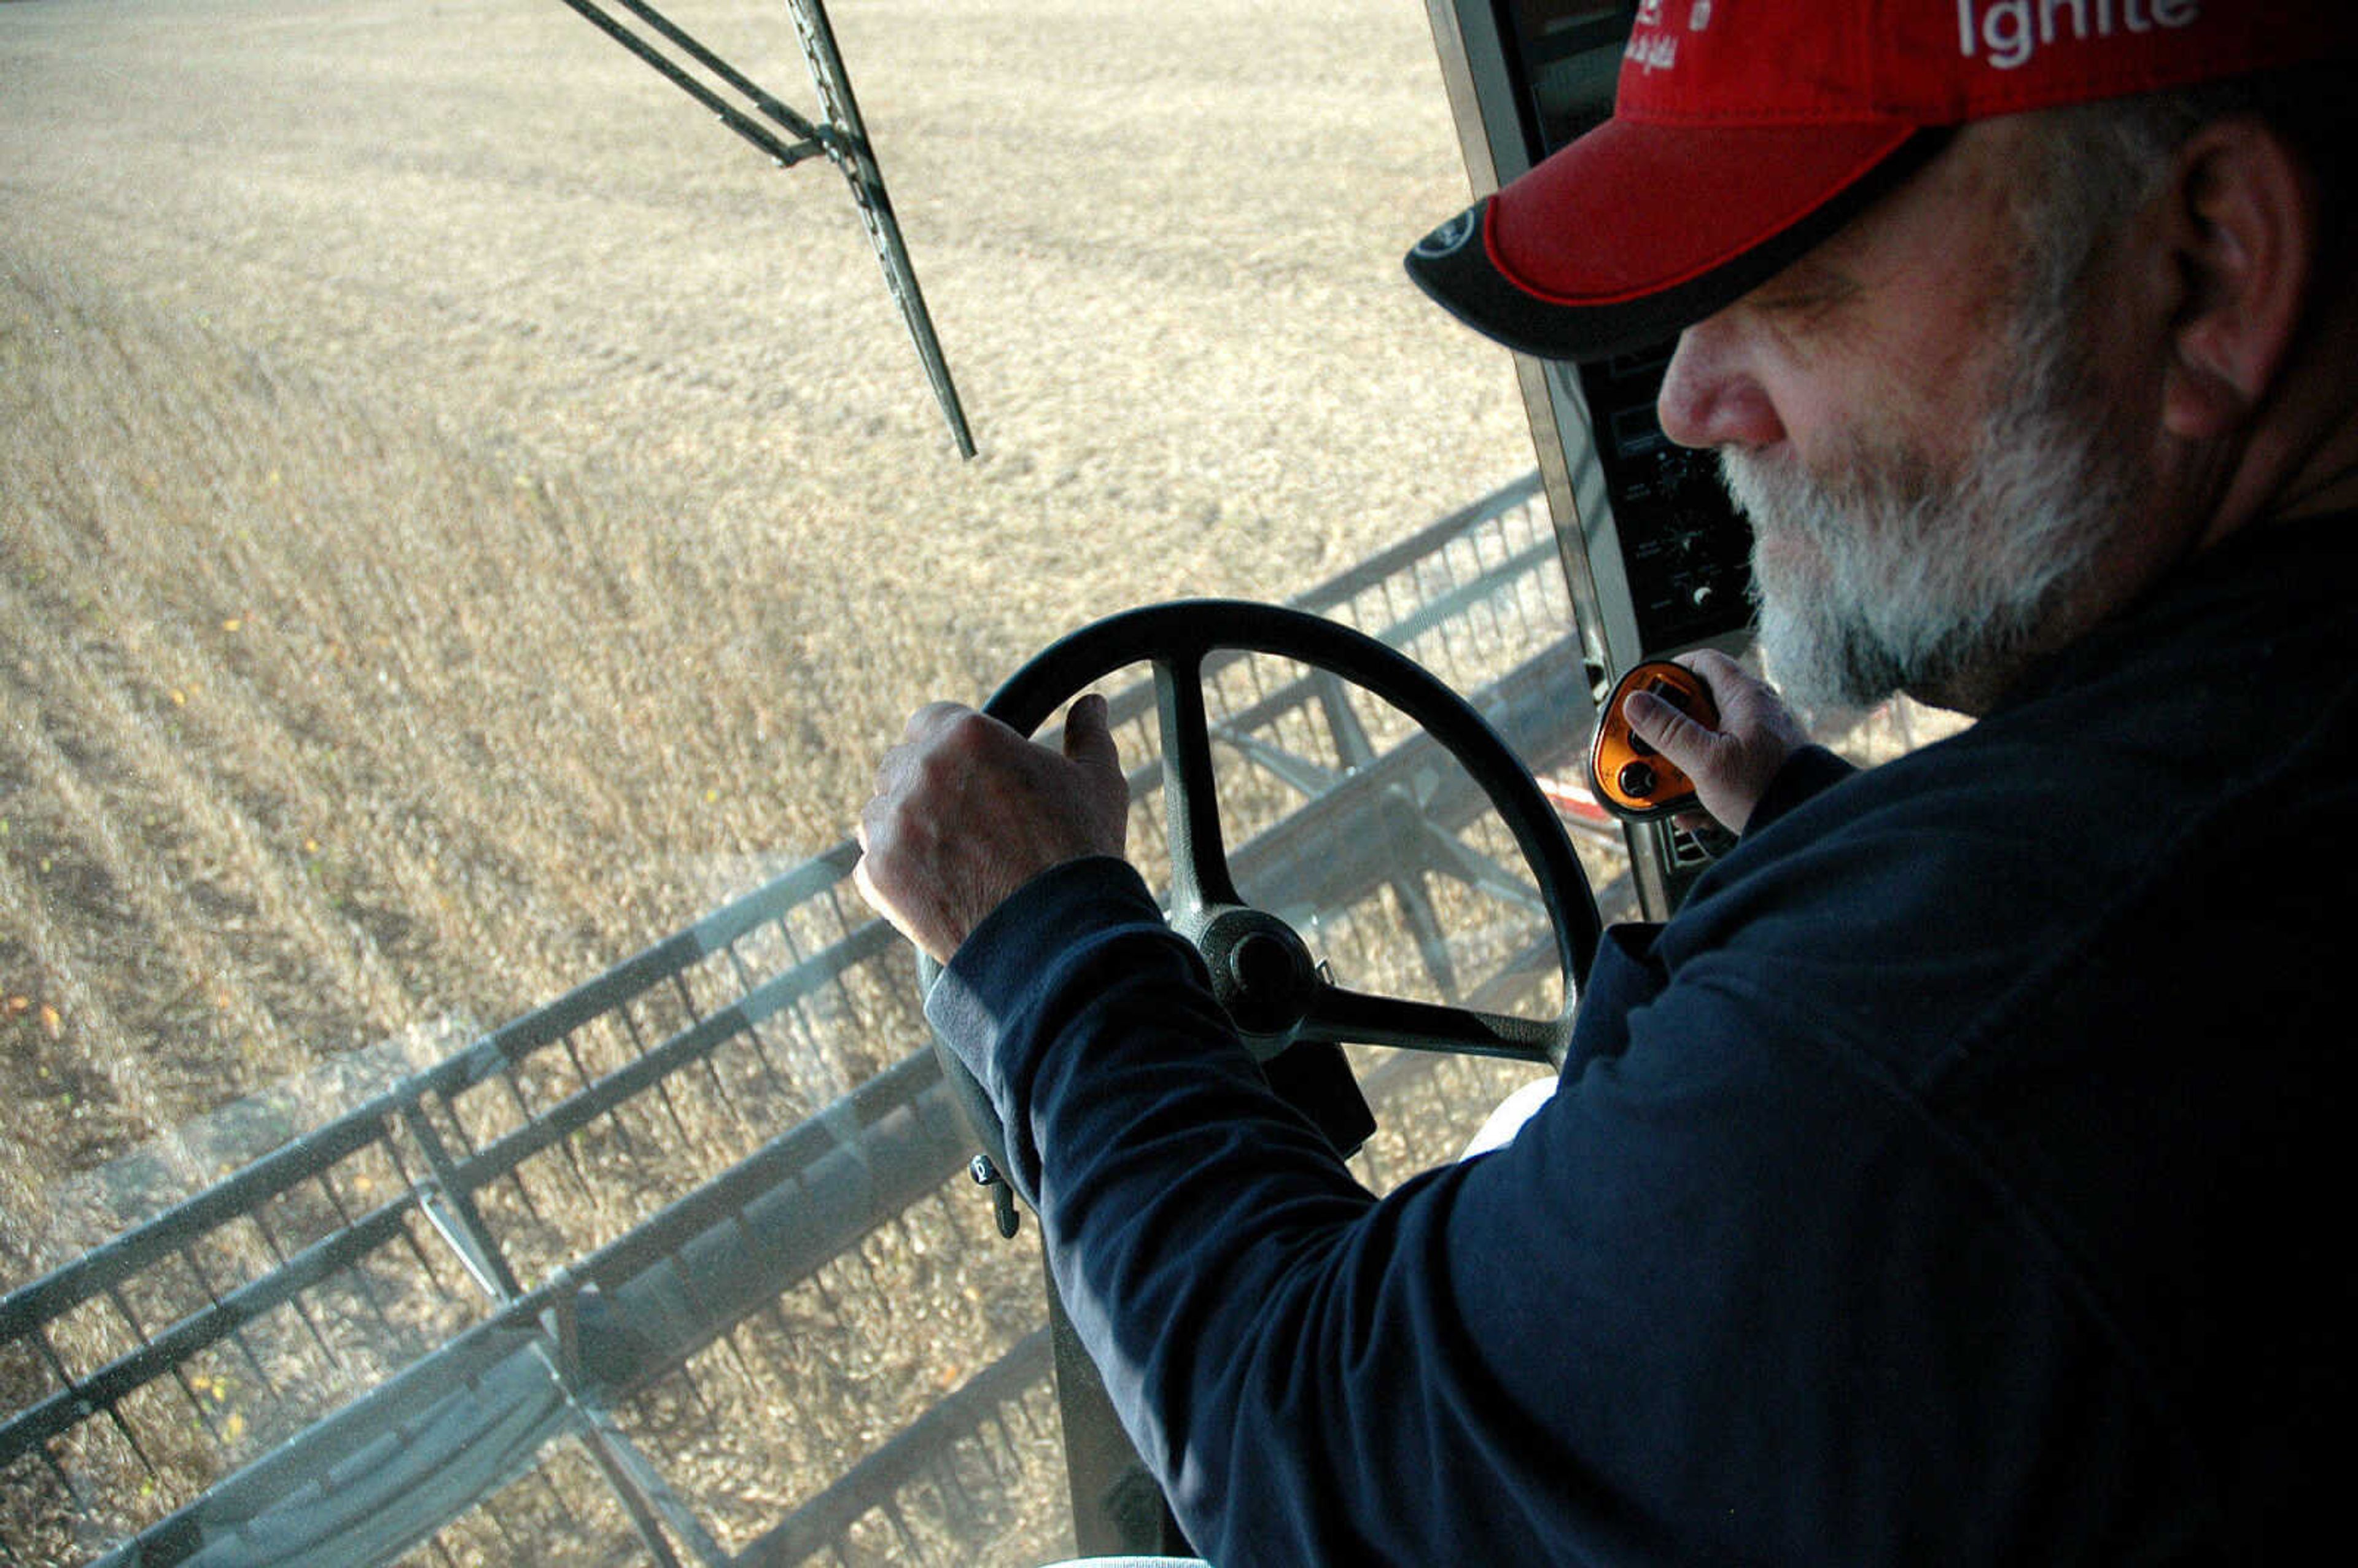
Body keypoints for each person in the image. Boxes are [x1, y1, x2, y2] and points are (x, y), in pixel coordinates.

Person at [855, 3, 2358, 1561]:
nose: (1688, 400)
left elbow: (1311, 1449)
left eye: (1793, 289)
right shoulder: (2196, 802)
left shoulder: (1927, 1045)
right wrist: (1821, 835)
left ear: (2208, 273)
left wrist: (1052, 952)